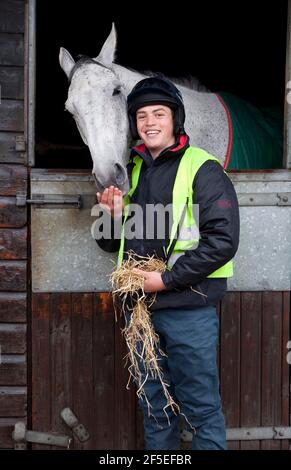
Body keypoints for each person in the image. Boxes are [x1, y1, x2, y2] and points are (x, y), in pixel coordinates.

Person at [96, 76, 240, 450]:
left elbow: (222, 242)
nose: (149, 121)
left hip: (188, 309)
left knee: (201, 411)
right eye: (141, 115)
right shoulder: (131, 169)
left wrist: (166, 280)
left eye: (159, 113)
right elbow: (110, 244)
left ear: (176, 118)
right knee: (155, 409)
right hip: (140, 312)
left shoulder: (203, 169)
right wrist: (110, 215)